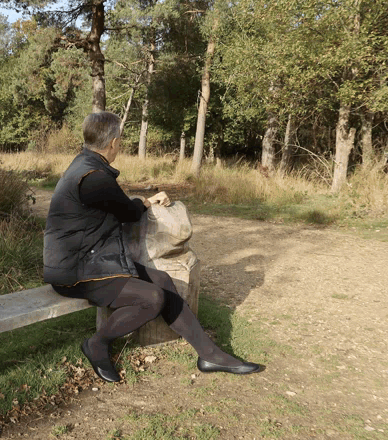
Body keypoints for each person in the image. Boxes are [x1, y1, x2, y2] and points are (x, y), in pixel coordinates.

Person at [44, 111, 261, 382]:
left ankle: (210, 354)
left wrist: (140, 202)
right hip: (75, 272)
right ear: (113, 142)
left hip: (91, 259)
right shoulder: (94, 176)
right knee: (152, 298)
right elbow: (128, 211)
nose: (119, 146)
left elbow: (114, 206)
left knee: (163, 281)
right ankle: (97, 343)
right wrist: (149, 200)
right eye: (119, 141)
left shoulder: (83, 165)